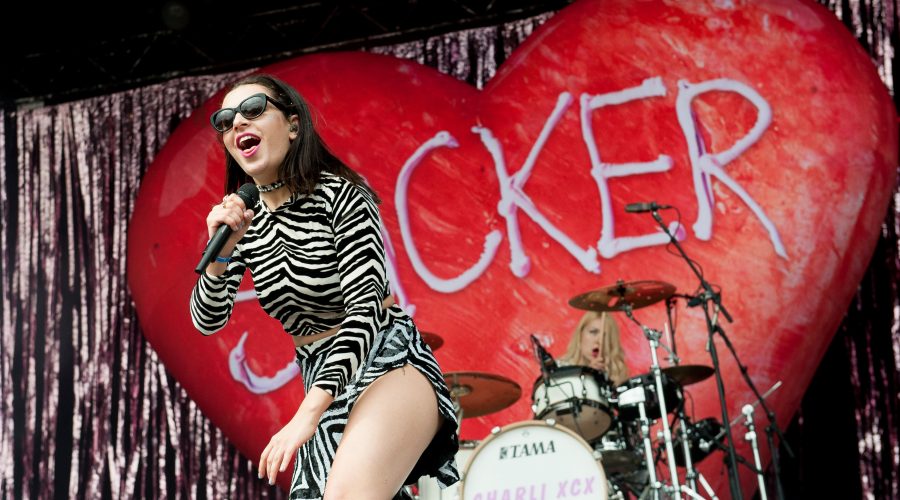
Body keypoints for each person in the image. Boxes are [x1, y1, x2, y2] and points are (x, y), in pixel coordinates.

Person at [189, 73, 460, 499]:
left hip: (384, 360)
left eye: (254, 110)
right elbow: (207, 321)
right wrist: (221, 253)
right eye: (225, 119)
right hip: (319, 378)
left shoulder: (341, 197)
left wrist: (307, 414)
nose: (237, 123)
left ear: (293, 125)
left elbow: (367, 309)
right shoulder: (243, 221)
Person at [558, 310, 629, 386]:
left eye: (605, 335)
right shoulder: (560, 369)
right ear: (580, 334)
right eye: (593, 332)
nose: (598, 340)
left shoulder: (617, 373)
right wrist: (589, 374)